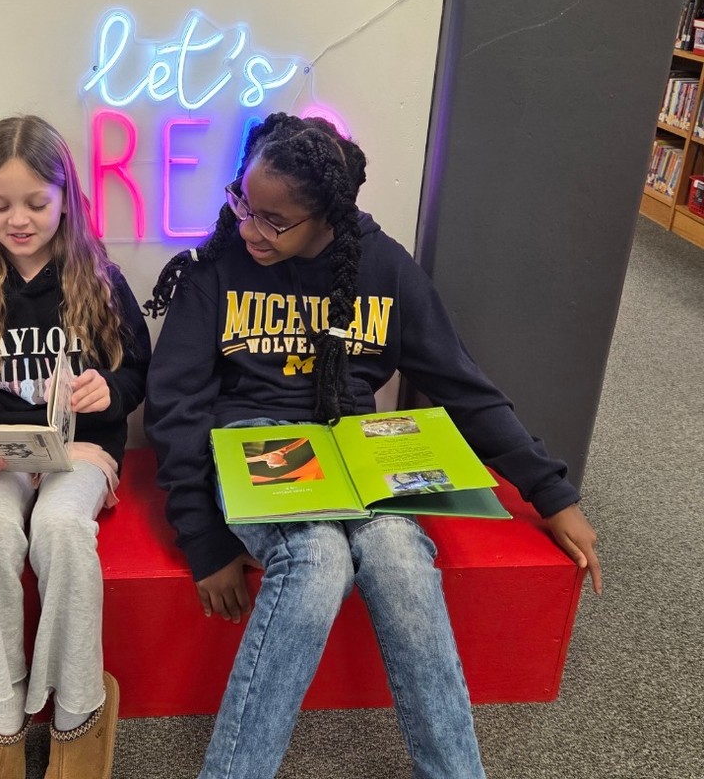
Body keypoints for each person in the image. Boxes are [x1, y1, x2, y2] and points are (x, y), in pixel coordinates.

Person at [142, 112, 602, 779]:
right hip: (256, 442)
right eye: (244, 202)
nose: (249, 228)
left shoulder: (384, 267)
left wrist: (551, 491)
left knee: (398, 555)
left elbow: (461, 384)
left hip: (359, 447)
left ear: (325, 214)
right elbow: (175, 404)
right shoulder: (216, 267)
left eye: (275, 220)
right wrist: (202, 537)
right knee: (317, 558)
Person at [0, 115, 151, 779]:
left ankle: (78, 708)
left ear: (64, 200)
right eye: (0, 205)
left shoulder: (97, 277)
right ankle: (2, 709)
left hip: (80, 451)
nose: (18, 219)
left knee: (60, 530)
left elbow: (137, 369)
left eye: (36, 203)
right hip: (0, 453)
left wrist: (109, 390)